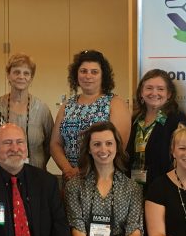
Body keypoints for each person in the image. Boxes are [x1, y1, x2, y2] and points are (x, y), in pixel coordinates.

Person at [51, 50, 131, 181]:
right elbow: (55, 144)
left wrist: (81, 171)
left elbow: (117, 146)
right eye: (83, 71)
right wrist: (68, 170)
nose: (88, 76)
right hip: (70, 179)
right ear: (76, 74)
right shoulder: (67, 105)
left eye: (94, 72)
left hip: (102, 179)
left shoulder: (115, 103)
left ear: (103, 76)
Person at [127, 68, 186, 189]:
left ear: (169, 94)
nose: (154, 93)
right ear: (141, 92)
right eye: (149, 88)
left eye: (160, 89)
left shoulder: (177, 120)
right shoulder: (134, 120)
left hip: (164, 188)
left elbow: (185, 157)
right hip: (133, 187)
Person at [0, 53, 54, 171]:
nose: (21, 76)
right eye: (16, 72)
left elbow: (50, 144)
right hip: (2, 173)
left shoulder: (42, 109)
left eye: (26, 73)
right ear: (8, 76)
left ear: (31, 78)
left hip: (36, 173)